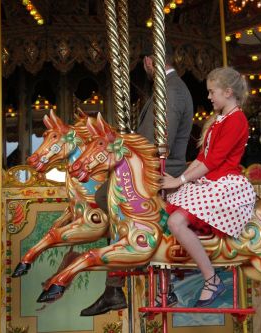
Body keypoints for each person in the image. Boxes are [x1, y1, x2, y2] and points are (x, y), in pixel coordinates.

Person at [80, 41, 194, 316]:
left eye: (144, 62)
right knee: (106, 195)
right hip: (151, 165)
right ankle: (115, 284)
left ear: (149, 61)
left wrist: (124, 153)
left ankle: (131, 266)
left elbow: (159, 140)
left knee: (105, 196)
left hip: (162, 169)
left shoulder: (172, 91)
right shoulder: (168, 89)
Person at [161, 67, 256, 307]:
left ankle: (211, 279)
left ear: (228, 92)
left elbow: (214, 161)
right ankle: (169, 282)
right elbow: (202, 158)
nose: (209, 97)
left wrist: (180, 181)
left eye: (212, 92)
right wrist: (179, 179)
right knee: (165, 213)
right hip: (209, 181)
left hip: (224, 185)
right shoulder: (218, 121)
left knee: (175, 222)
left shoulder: (237, 120)